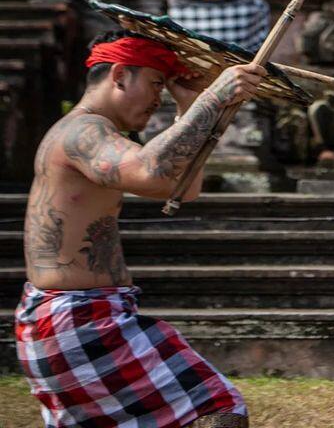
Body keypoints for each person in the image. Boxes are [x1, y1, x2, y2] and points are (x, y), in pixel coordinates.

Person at [16, 30, 266, 428]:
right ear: (119, 76)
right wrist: (213, 97)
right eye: (154, 83)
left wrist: (190, 108)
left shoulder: (90, 132)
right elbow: (150, 170)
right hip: (78, 320)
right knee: (216, 407)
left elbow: (180, 187)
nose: (157, 100)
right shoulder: (83, 131)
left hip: (73, 318)